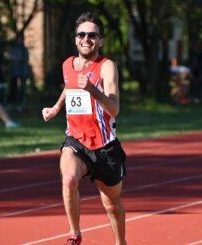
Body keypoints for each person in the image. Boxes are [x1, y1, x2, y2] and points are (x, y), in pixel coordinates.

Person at [42, 12, 127, 245]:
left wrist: (92, 89)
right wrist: (56, 107)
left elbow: (114, 108)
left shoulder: (107, 67)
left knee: (112, 205)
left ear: (100, 41)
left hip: (105, 146)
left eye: (92, 35)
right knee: (68, 178)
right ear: (76, 39)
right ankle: (75, 234)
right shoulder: (68, 65)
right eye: (82, 34)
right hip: (76, 140)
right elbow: (69, 87)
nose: (86, 38)